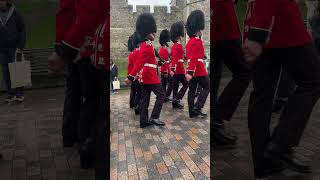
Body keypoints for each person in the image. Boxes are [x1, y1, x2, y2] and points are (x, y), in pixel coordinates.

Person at [243, 0, 320, 178]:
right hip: (282, 24)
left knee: (261, 95)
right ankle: (280, 145)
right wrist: (257, 35)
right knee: (312, 82)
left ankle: (263, 161)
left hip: (261, 21)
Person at [48, 0, 109, 178]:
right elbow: (90, 10)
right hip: (89, 45)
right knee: (98, 109)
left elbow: (67, 12)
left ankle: (85, 149)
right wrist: (65, 51)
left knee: (87, 100)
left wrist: (62, 48)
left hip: (82, 44)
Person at [211, 0, 252, 147]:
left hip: (211, 17)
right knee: (244, 72)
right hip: (222, 18)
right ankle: (216, 119)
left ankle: (213, 128)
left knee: (214, 77)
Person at [125, 13, 166, 128]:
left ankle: (143, 121)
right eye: (153, 32)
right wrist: (130, 77)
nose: (154, 34)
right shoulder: (146, 46)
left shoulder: (146, 45)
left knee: (144, 99)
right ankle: (154, 117)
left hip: (145, 76)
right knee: (161, 95)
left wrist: (159, 63)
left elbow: (149, 62)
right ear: (147, 33)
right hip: (149, 76)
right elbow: (139, 63)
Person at [0, 0, 26, 103]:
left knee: (17, 70)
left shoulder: (15, 13)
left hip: (15, 47)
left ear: (6, 1)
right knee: (5, 71)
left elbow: (22, 29)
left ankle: (19, 93)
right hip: (2, 48)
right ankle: (10, 94)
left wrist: (21, 46)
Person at [185, 10, 209, 118]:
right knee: (207, 87)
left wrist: (190, 70)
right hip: (198, 69)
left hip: (191, 68)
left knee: (191, 90)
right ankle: (197, 107)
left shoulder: (189, 42)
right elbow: (194, 57)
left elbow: (191, 56)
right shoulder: (198, 41)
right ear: (198, 29)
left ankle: (191, 111)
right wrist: (191, 71)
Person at [170, 21, 188, 109]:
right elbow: (174, 59)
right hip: (179, 69)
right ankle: (176, 99)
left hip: (177, 69)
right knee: (185, 85)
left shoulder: (176, 46)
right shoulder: (177, 46)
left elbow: (180, 57)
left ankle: (175, 103)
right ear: (178, 36)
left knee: (175, 86)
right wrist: (173, 69)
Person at [158, 29, 173, 102]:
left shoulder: (164, 48)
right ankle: (166, 95)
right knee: (172, 82)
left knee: (163, 84)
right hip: (165, 70)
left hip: (166, 68)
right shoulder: (163, 50)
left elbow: (166, 61)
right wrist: (165, 71)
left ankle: (164, 97)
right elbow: (163, 62)